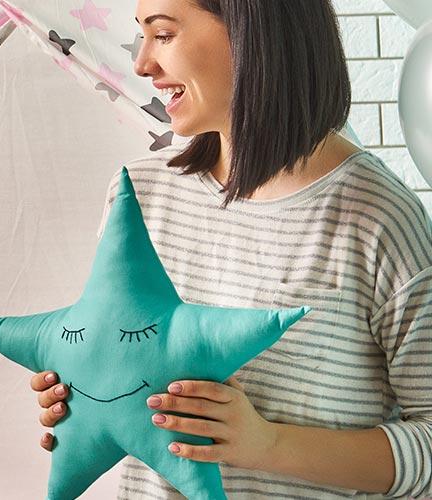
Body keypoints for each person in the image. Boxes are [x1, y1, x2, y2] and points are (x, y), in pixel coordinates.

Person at [27, 1, 432, 497]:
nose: (141, 64)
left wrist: (266, 444)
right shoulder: (138, 193)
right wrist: (81, 393)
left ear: (250, 32)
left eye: (164, 35)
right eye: (142, 35)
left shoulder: (377, 218)